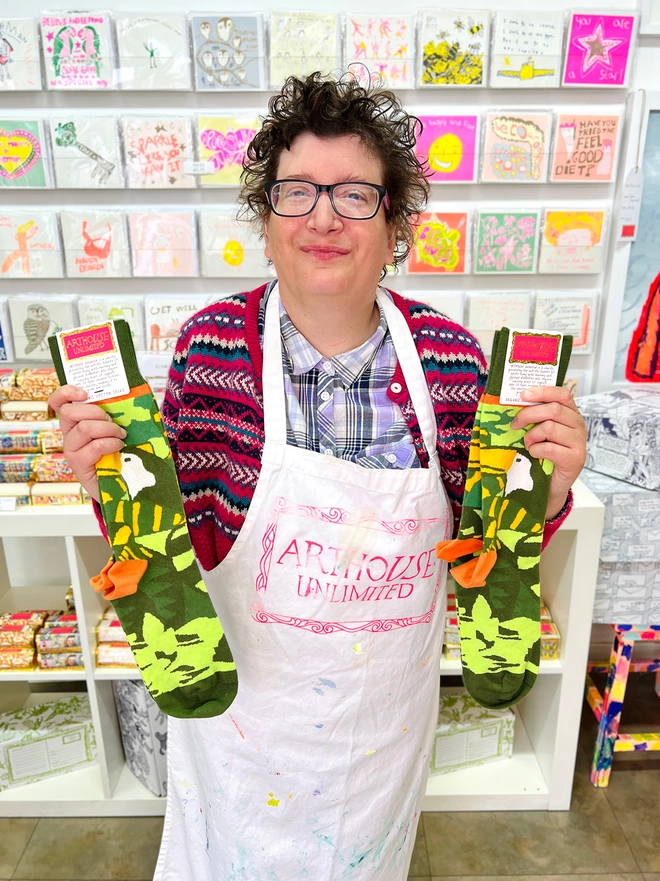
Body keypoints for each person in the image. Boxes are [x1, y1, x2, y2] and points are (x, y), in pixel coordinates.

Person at [49, 73, 587, 881]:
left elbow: (485, 548)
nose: (325, 217)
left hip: (382, 730)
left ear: (396, 223)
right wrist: (110, 483)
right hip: (243, 723)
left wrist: (547, 489)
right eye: (296, 192)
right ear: (266, 222)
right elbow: (179, 545)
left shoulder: (451, 361)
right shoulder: (213, 350)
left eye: (356, 195)